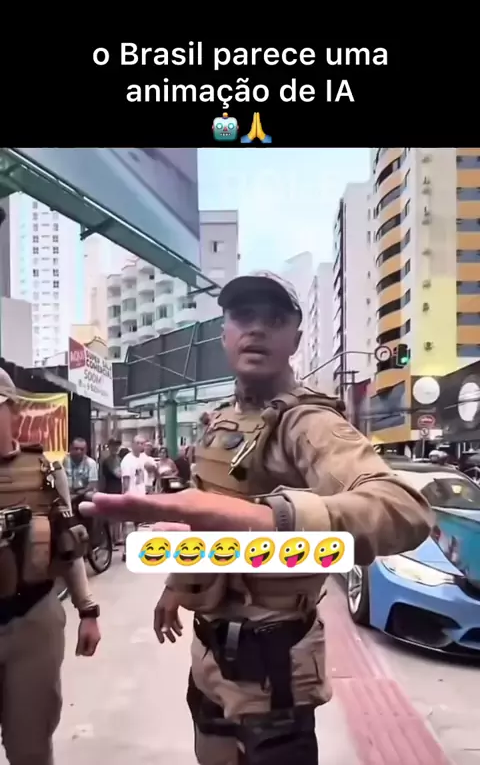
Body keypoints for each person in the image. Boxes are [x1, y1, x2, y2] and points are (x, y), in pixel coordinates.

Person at [81, 271, 433, 765]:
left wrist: (273, 518)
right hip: (209, 649)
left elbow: (402, 509)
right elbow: (205, 517)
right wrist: (178, 583)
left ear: (295, 339)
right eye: (243, 316)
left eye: (274, 319)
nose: (257, 329)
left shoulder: (308, 422)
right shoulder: (223, 420)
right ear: (224, 334)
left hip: (273, 664)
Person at [0, 367, 101, 765]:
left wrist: (88, 611)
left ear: (13, 410)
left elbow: (68, 545)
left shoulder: (45, 470)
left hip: (33, 619)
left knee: (30, 746)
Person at [98, 437, 123, 546]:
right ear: (109, 446)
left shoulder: (118, 458)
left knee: (117, 515)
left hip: (118, 489)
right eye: (113, 445)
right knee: (111, 517)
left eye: (117, 445)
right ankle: (111, 540)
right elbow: (118, 474)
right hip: (109, 490)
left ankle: (116, 538)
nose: (116, 447)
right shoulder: (108, 460)